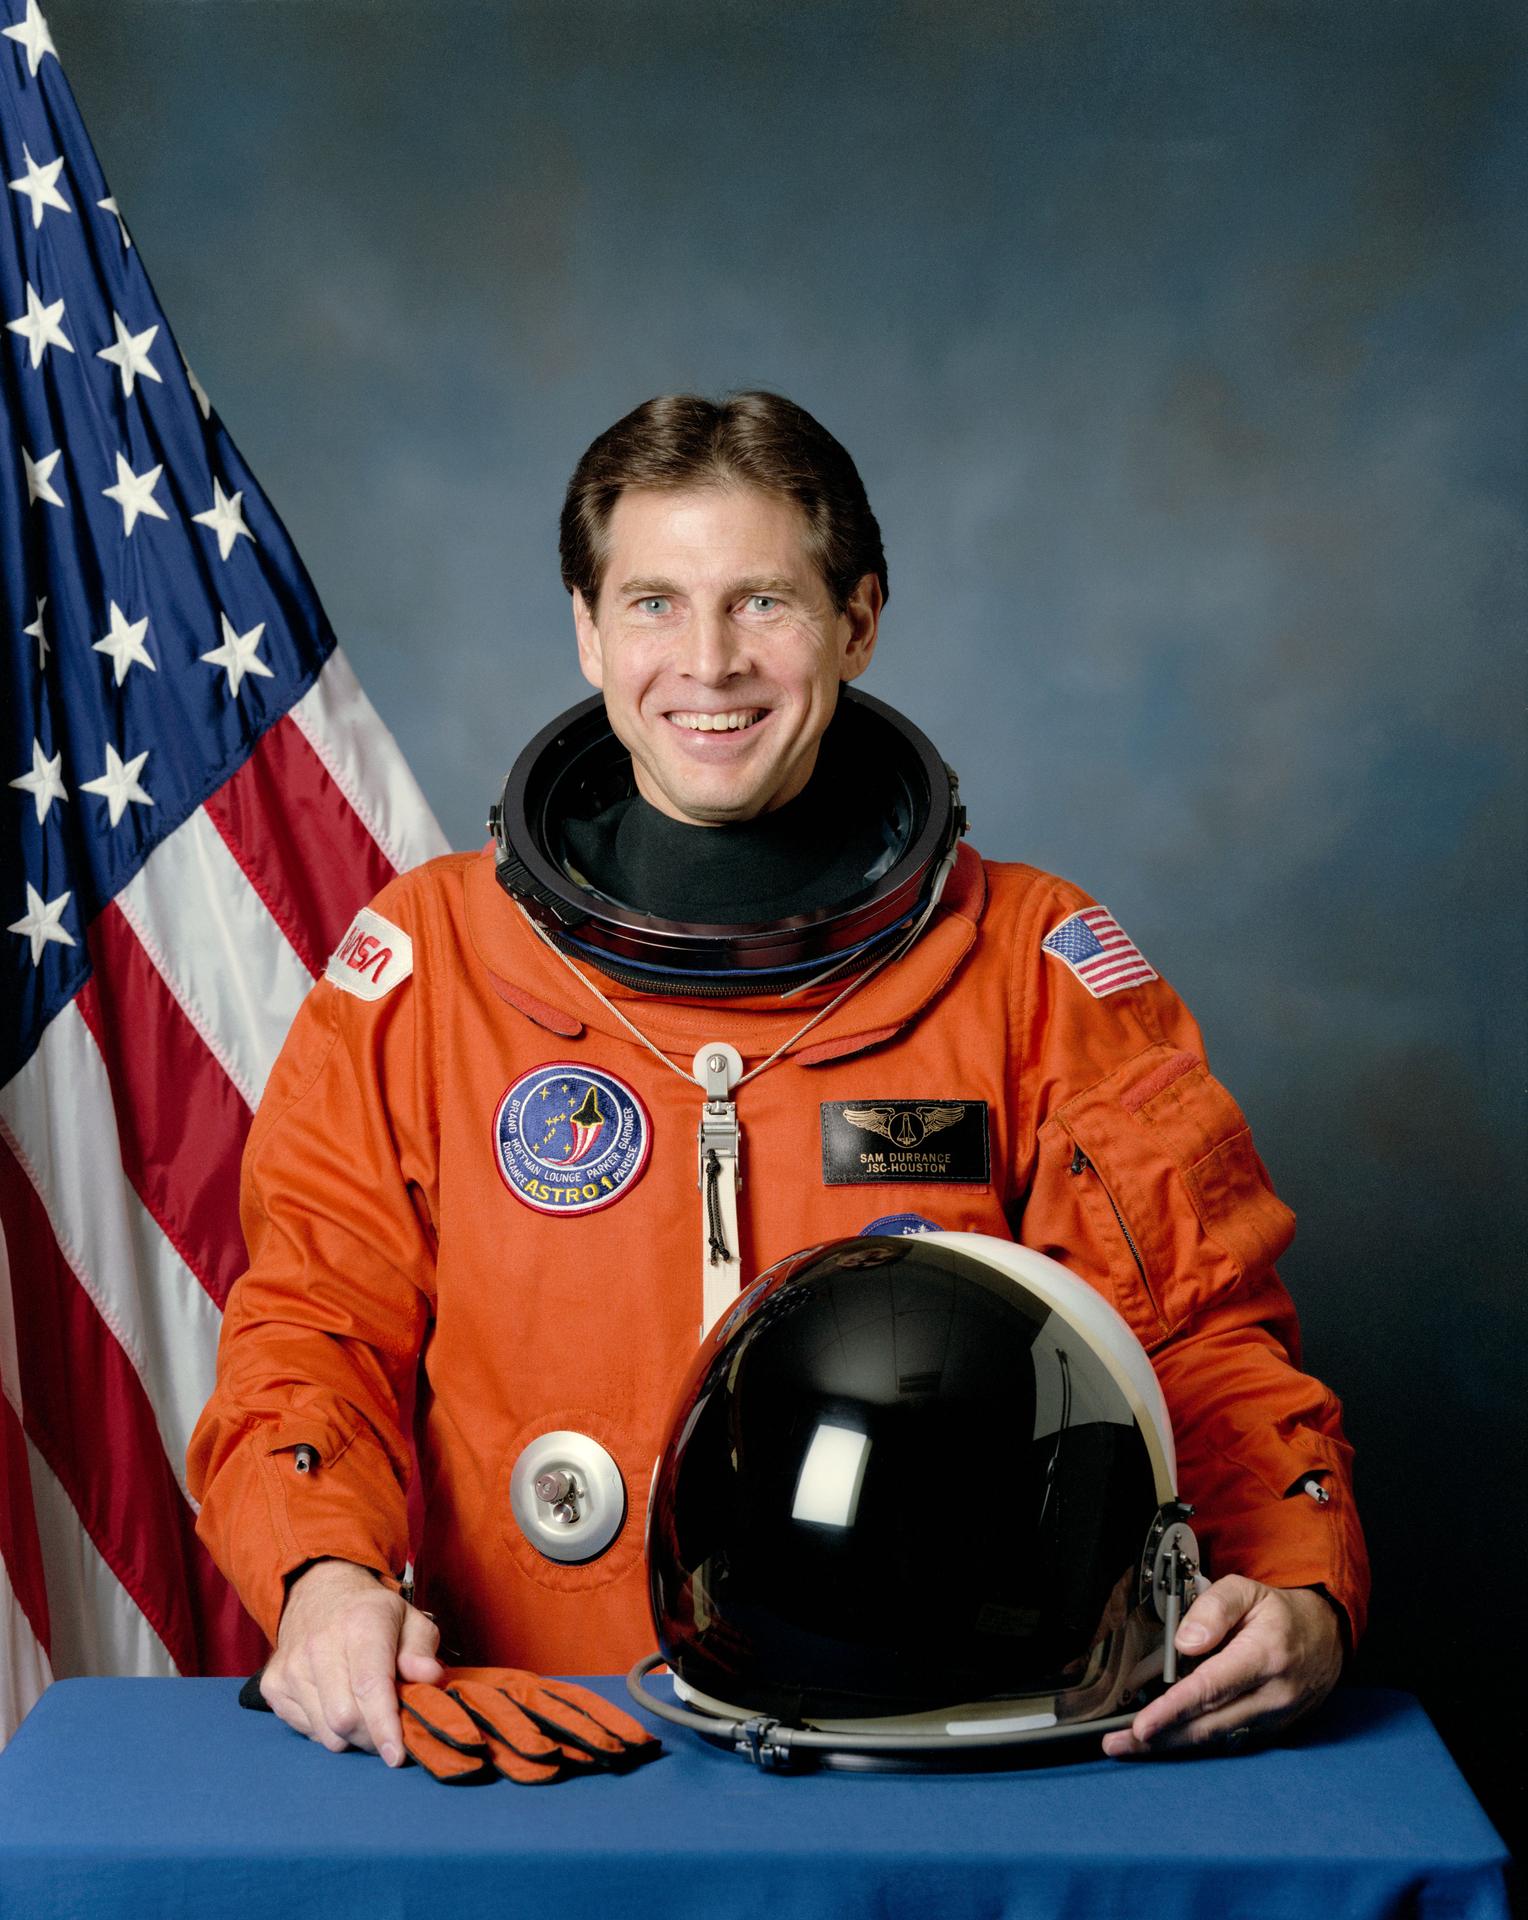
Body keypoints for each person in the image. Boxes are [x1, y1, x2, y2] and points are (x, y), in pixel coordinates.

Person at [188, 391, 1368, 1773]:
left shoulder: (1030, 971)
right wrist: (322, 1574)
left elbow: (1196, 1347)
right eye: (653, 604)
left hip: (931, 1745)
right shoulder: (429, 967)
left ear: (858, 620)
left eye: (764, 602)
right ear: (587, 629)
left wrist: (1300, 1583)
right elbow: (313, 1331)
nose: (709, 663)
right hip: (535, 1746)